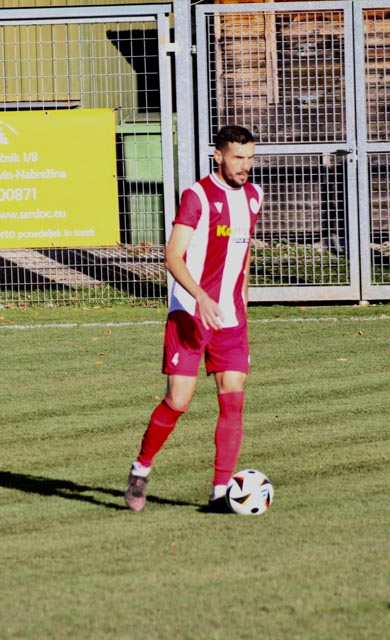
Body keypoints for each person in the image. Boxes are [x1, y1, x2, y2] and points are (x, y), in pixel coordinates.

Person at [124, 124, 262, 512]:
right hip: (190, 313)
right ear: (218, 156)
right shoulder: (197, 196)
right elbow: (172, 256)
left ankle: (220, 493)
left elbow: (244, 255)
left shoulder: (254, 197)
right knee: (178, 401)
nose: (245, 166)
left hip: (230, 319)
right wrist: (201, 297)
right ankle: (141, 468)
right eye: (238, 158)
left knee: (232, 398)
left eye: (251, 158)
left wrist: (243, 304)